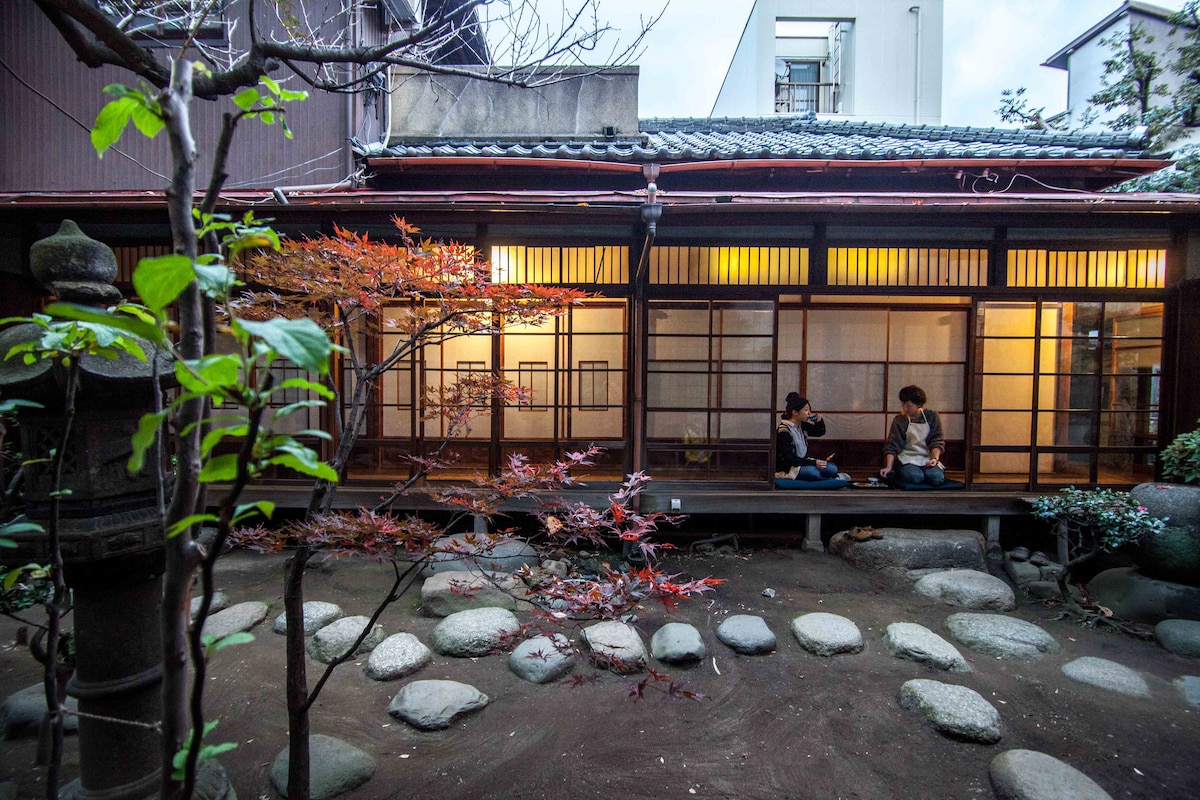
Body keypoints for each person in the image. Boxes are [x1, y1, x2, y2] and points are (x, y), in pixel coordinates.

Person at [880, 385, 945, 487]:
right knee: (915, 477)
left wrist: (935, 459)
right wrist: (889, 467)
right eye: (903, 405)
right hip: (906, 458)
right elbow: (892, 445)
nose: (905, 408)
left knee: (936, 478)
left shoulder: (932, 416)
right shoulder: (900, 419)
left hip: (927, 458)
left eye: (909, 406)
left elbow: (937, 440)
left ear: (918, 404)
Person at [775, 392, 838, 481]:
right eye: (806, 410)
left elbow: (819, 432)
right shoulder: (784, 430)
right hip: (789, 467)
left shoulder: (802, 426)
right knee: (812, 471)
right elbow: (790, 458)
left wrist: (819, 421)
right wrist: (814, 463)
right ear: (795, 412)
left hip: (803, 463)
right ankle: (827, 479)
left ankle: (824, 477)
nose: (809, 413)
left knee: (832, 468)